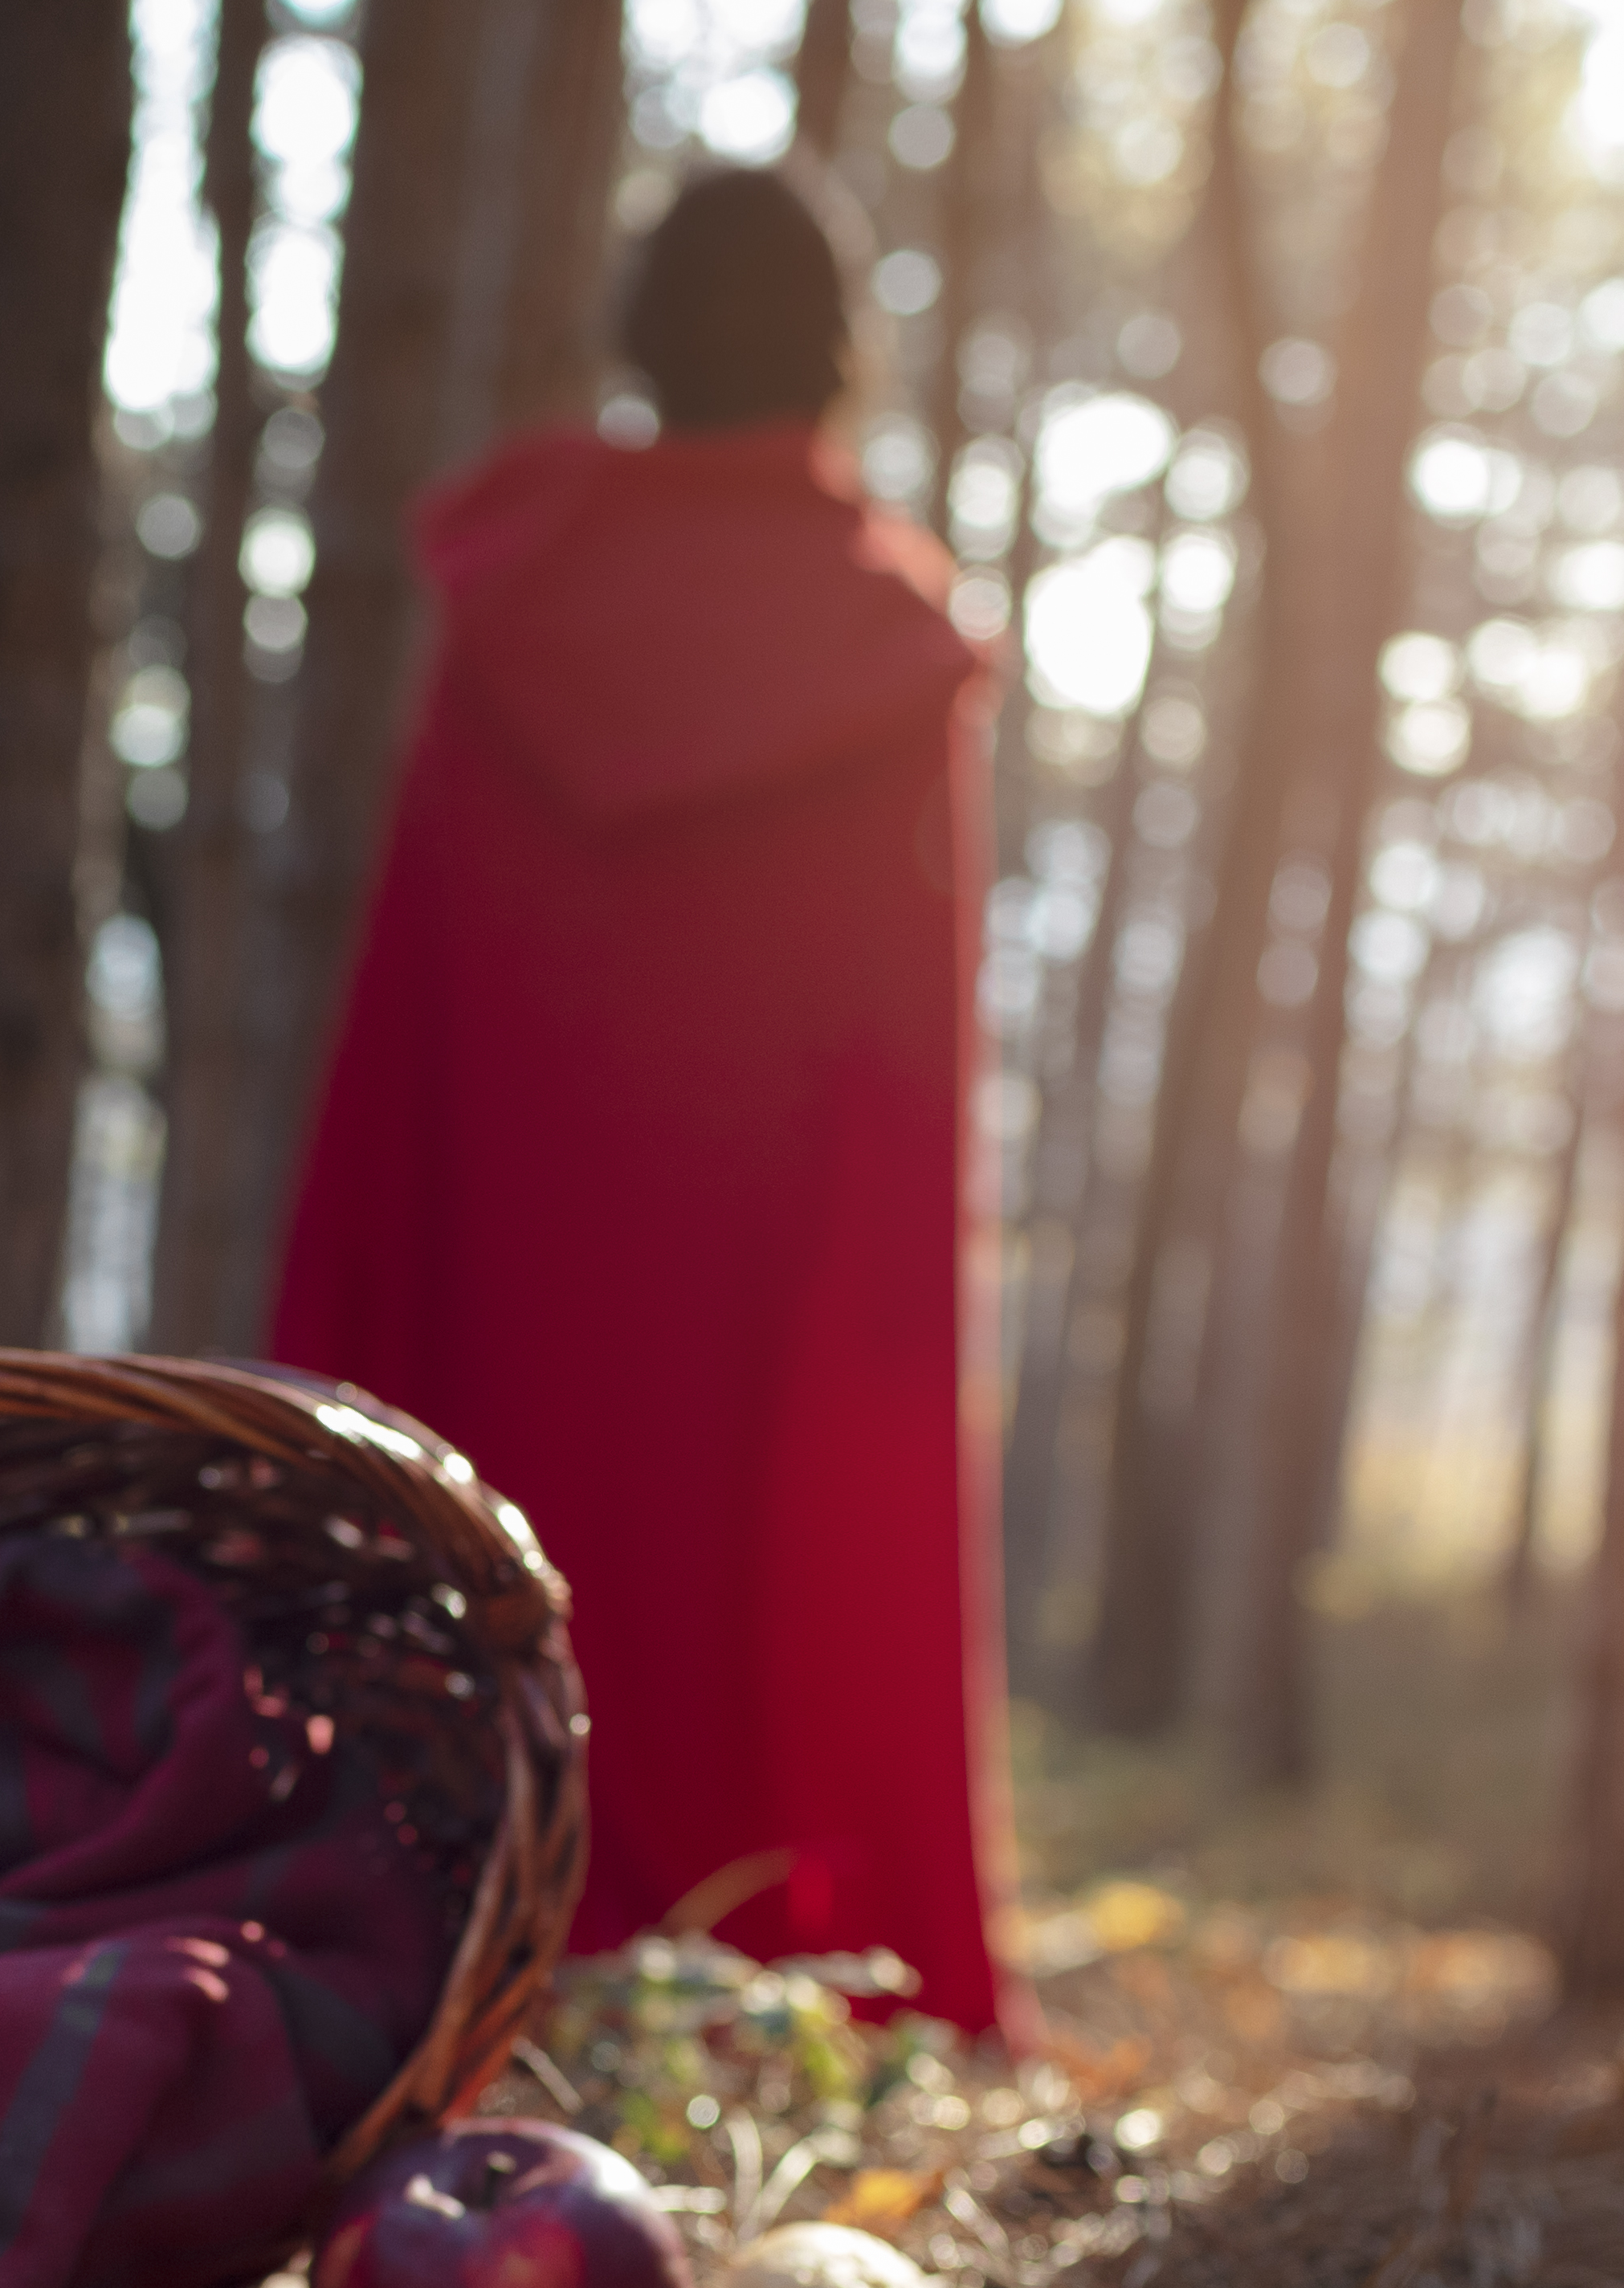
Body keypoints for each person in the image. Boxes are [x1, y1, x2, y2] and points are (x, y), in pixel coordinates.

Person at [267, 163, 1024, 2043]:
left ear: (641, 343)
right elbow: (904, 1061)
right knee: (733, 1616)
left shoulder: (525, 596)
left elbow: (413, 1005)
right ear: (839, 357)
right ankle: (740, 1959)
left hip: (517, 1288)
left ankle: (500, 1924)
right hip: (758, 1290)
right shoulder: (880, 635)